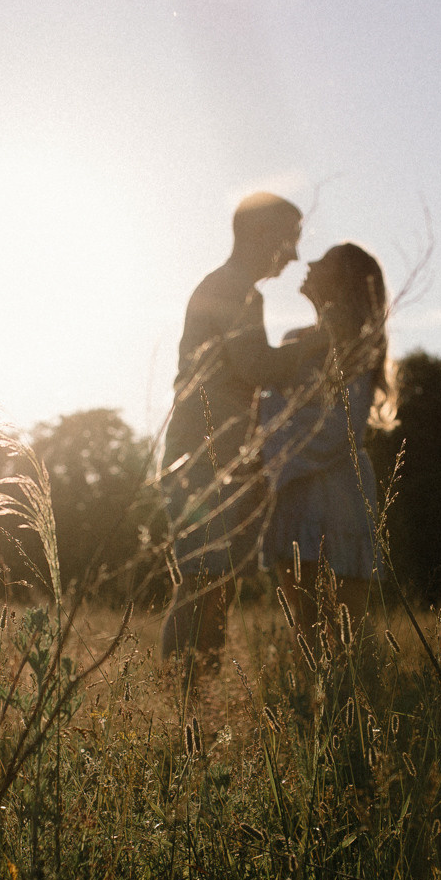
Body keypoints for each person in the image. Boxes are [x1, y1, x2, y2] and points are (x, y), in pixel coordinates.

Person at [159, 191, 308, 671]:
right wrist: (318, 344)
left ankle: (191, 699)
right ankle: (183, 700)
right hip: (206, 457)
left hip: (213, 454)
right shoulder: (235, 290)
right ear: (262, 236)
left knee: (211, 583)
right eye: (290, 239)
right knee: (204, 580)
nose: (294, 254)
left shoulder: (227, 286)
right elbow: (256, 366)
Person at [257, 242, 389, 640]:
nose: (309, 262)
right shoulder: (296, 339)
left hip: (339, 497)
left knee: (348, 633)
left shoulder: (355, 347)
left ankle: (355, 702)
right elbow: (271, 407)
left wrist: (267, 453)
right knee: (306, 629)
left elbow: (336, 428)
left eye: (324, 261)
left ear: (341, 281)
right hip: (295, 495)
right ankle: (316, 703)